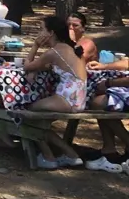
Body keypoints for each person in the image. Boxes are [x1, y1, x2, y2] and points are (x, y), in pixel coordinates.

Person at [24, 16, 87, 169]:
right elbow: (55, 66)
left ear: (51, 33)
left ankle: (50, 156)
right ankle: (69, 154)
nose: (39, 33)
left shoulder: (54, 51)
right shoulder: (68, 48)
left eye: (42, 30)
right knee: (38, 119)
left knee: (27, 115)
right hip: (78, 98)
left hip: (67, 98)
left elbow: (27, 66)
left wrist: (35, 45)